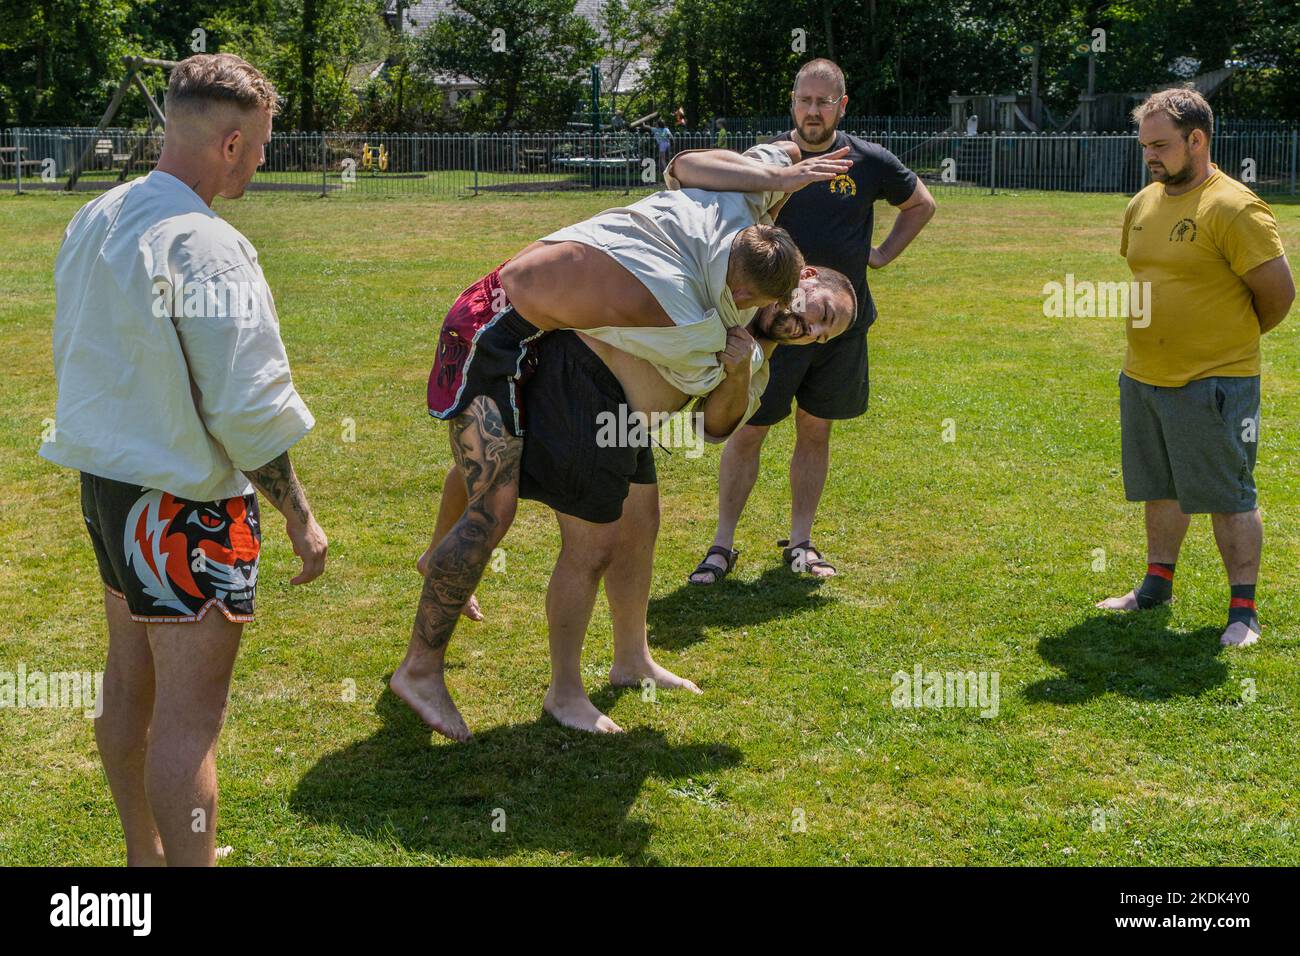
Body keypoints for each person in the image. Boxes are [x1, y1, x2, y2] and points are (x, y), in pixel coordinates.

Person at [393, 142, 856, 740]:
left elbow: (716, 426)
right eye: (817, 310)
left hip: (610, 404)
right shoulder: (699, 303)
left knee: (638, 522)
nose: (808, 328)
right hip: (504, 337)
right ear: (803, 277)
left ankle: (630, 657)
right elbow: (690, 163)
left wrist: (741, 367)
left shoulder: (743, 246)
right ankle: (434, 669)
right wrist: (784, 173)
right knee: (503, 507)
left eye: (823, 334)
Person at [40, 53, 328, 865]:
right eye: (265, 143)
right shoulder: (210, 245)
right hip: (186, 505)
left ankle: (146, 860)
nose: (266, 160)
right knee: (190, 720)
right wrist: (301, 517)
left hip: (109, 486)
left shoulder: (96, 217)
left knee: (130, 684)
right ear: (231, 143)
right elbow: (247, 410)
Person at [689, 58, 936, 584]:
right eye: (805, 99)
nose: (813, 111)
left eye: (825, 101)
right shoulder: (771, 161)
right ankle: (721, 545)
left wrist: (882, 254)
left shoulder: (865, 160)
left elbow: (921, 203)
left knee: (815, 430)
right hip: (774, 326)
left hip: (838, 329)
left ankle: (801, 542)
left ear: (842, 106)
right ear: (793, 101)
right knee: (748, 431)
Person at [1096, 87, 1293, 647]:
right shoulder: (1144, 202)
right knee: (1160, 486)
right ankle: (1155, 586)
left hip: (1214, 380)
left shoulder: (1235, 207)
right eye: (1144, 146)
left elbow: (1278, 295)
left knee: (1228, 494)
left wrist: (1223, 345)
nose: (1149, 156)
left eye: (1160, 145)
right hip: (1143, 376)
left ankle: (1243, 611)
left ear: (1197, 139)